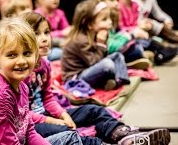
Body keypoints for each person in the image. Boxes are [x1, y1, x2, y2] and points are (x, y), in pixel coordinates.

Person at [20, 11, 172, 145]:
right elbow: (20, 113)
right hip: (29, 122)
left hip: (45, 113)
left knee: (94, 111)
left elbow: (48, 97)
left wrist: (63, 114)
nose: (45, 38)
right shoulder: (21, 70)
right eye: (37, 34)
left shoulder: (45, 65)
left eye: (46, 32)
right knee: (65, 130)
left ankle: (122, 136)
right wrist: (53, 120)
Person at [0, 17, 82, 145]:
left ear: (36, 55)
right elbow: (9, 142)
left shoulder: (23, 87)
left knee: (72, 137)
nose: (21, 61)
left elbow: (29, 132)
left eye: (27, 53)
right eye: (12, 55)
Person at [62, 0, 130, 90]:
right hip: (77, 77)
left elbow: (103, 56)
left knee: (117, 56)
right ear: (90, 24)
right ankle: (109, 80)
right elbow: (94, 62)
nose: (110, 22)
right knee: (107, 64)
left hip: (91, 69)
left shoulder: (94, 34)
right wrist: (100, 43)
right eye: (104, 19)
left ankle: (119, 80)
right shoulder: (80, 40)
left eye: (109, 18)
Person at [87, 0, 152, 70]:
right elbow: (110, 48)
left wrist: (126, 35)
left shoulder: (110, 18)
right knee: (136, 49)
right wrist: (129, 36)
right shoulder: (99, 25)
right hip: (103, 58)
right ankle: (127, 63)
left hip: (114, 51)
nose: (116, 3)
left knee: (140, 44)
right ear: (100, 1)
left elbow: (114, 36)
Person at [114, 0, 178, 44]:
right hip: (133, 31)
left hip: (142, 27)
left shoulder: (138, 3)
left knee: (155, 28)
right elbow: (122, 27)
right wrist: (141, 25)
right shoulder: (132, 1)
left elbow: (158, 13)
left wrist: (167, 20)